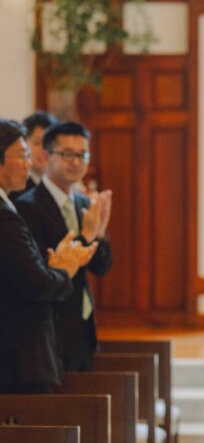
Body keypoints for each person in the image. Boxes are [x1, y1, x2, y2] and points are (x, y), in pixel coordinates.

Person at [0, 118, 96, 393]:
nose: (28, 164)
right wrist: (63, 269)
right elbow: (35, 283)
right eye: (22, 155)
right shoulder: (8, 215)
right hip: (19, 356)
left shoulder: (84, 203)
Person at [15, 121, 113, 371]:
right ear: (46, 156)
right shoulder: (27, 206)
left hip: (82, 322)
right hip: (50, 323)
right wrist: (86, 236)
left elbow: (100, 267)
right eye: (68, 154)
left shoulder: (83, 203)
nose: (76, 162)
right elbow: (43, 270)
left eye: (83, 155)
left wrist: (100, 233)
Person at [8, 110, 58, 201]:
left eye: (49, 144)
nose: (44, 150)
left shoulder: (59, 185)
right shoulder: (15, 187)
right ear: (23, 143)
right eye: (38, 143)